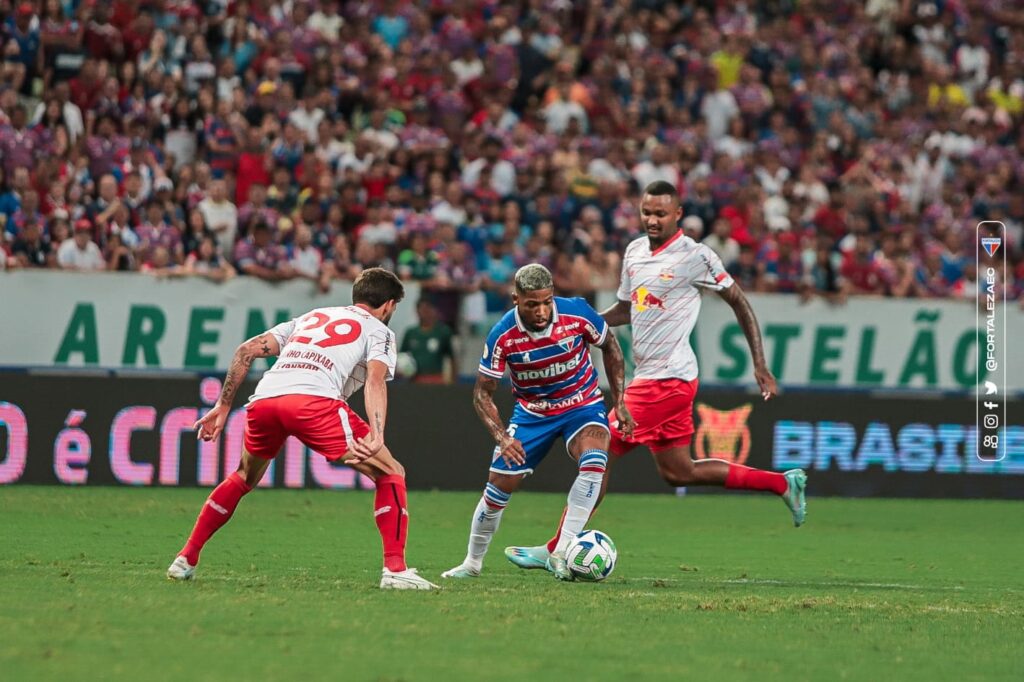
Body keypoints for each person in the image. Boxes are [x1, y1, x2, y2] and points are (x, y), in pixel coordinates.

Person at [506, 181, 808, 571]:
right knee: (678, 471)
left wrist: (760, 363)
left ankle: (556, 548)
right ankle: (783, 484)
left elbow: (739, 302)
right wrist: (578, 322)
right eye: (647, 212)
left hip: (669, 380)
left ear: (677, 214)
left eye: (660, 213)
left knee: (599, 446)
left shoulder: (695, 256)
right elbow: (627, 309)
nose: (652, 219)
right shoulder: (634, 251)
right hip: (650, 377)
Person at [167, 268, 438, 590]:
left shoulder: (312, 316)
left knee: (242, 476)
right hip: (313, 402)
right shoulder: (379, 331)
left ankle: (185, 558)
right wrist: (377, 433)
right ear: (389, 305)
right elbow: (376, 381)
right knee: (391, 472)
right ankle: (395, 570)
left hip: (266, 400)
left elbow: (245, 351)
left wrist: (223, 406)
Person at [441, 264, 634, 581]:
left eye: (547, 301)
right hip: (532, 415)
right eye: (533, 304)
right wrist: (503, 437)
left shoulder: (577, 313)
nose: (542, 310)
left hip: (582, 405)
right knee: (496, 492)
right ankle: (472, 564)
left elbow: (611, 346)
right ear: (516, 299)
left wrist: (620, 401)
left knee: (596, 458)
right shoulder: (503, 334)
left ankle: (561, 552)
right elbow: (482, 394)